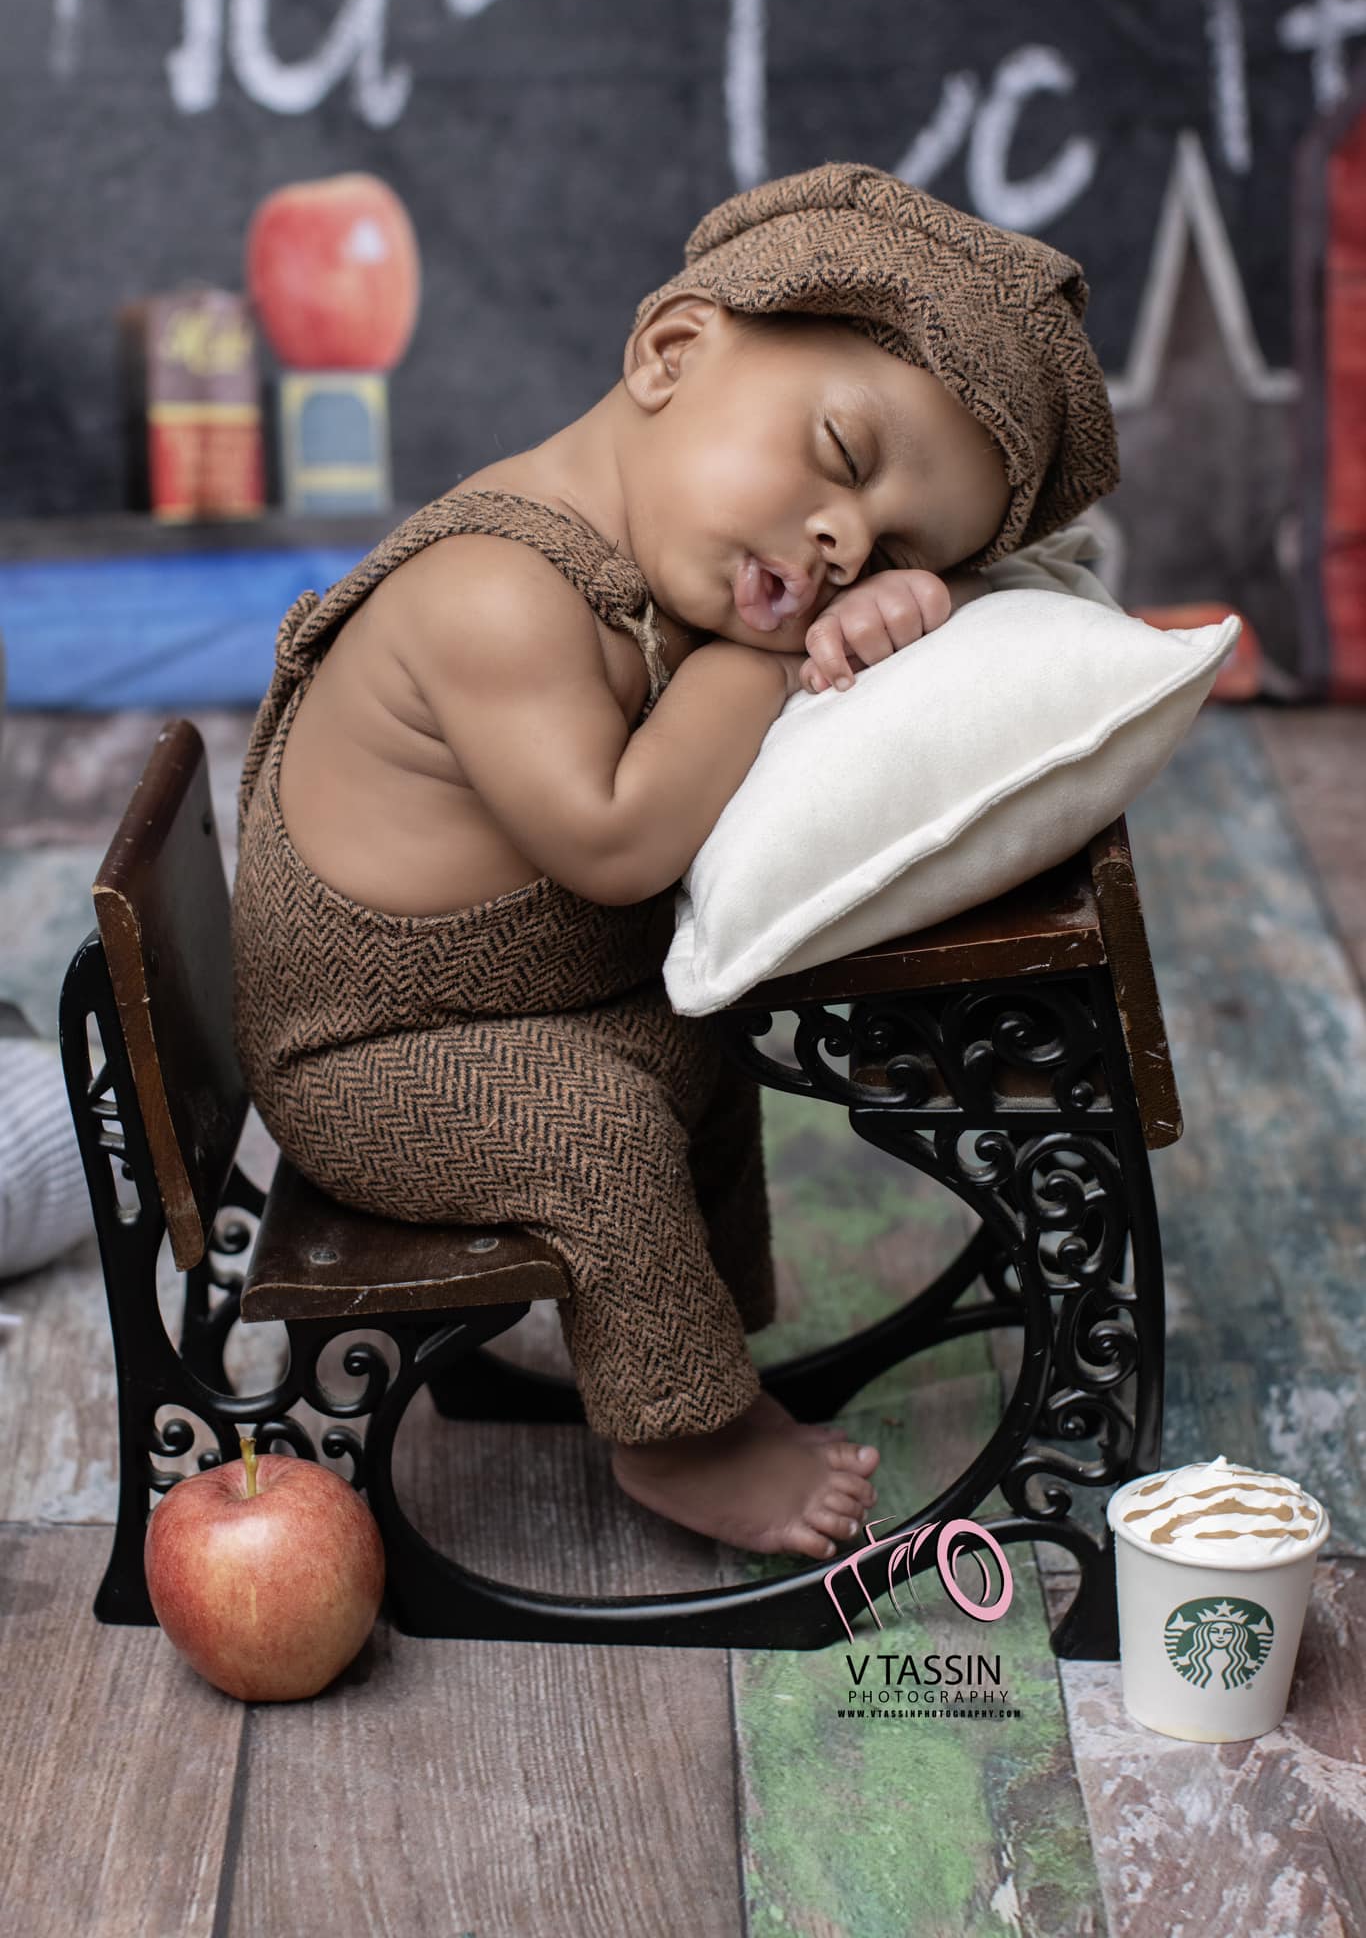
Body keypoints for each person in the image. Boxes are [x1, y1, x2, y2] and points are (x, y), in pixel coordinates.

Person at [230, 162, 1119, 1562]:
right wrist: (770, 659)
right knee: (589, 1128)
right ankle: (676, 1434)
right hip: (368, 1052)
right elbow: (617, 842)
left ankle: (689, 1329)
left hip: (513, 1000)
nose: (841, 542)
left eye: (888, 545)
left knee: (695, 1040)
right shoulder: (492, 593)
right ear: (670, 352)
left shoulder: (648, 559)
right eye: (839, 456)